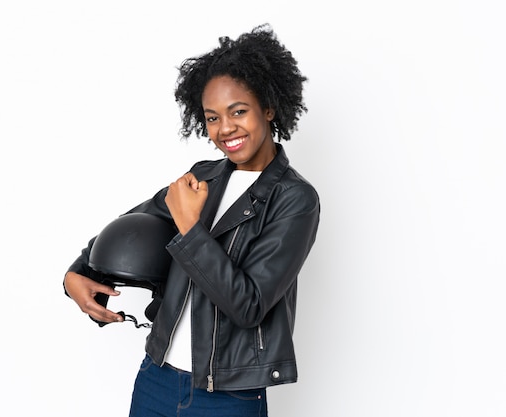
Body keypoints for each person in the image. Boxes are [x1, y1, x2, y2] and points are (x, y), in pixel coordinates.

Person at [63, 23, 320, 417]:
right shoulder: (204, 176)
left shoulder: (295, 199)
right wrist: (77, 272)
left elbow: (249, 306)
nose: (225, 129)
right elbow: (135, 223)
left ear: (268, 107)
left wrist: (190, 229)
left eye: (238, 111)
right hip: (157, 377)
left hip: (228, 395)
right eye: (212, 117)